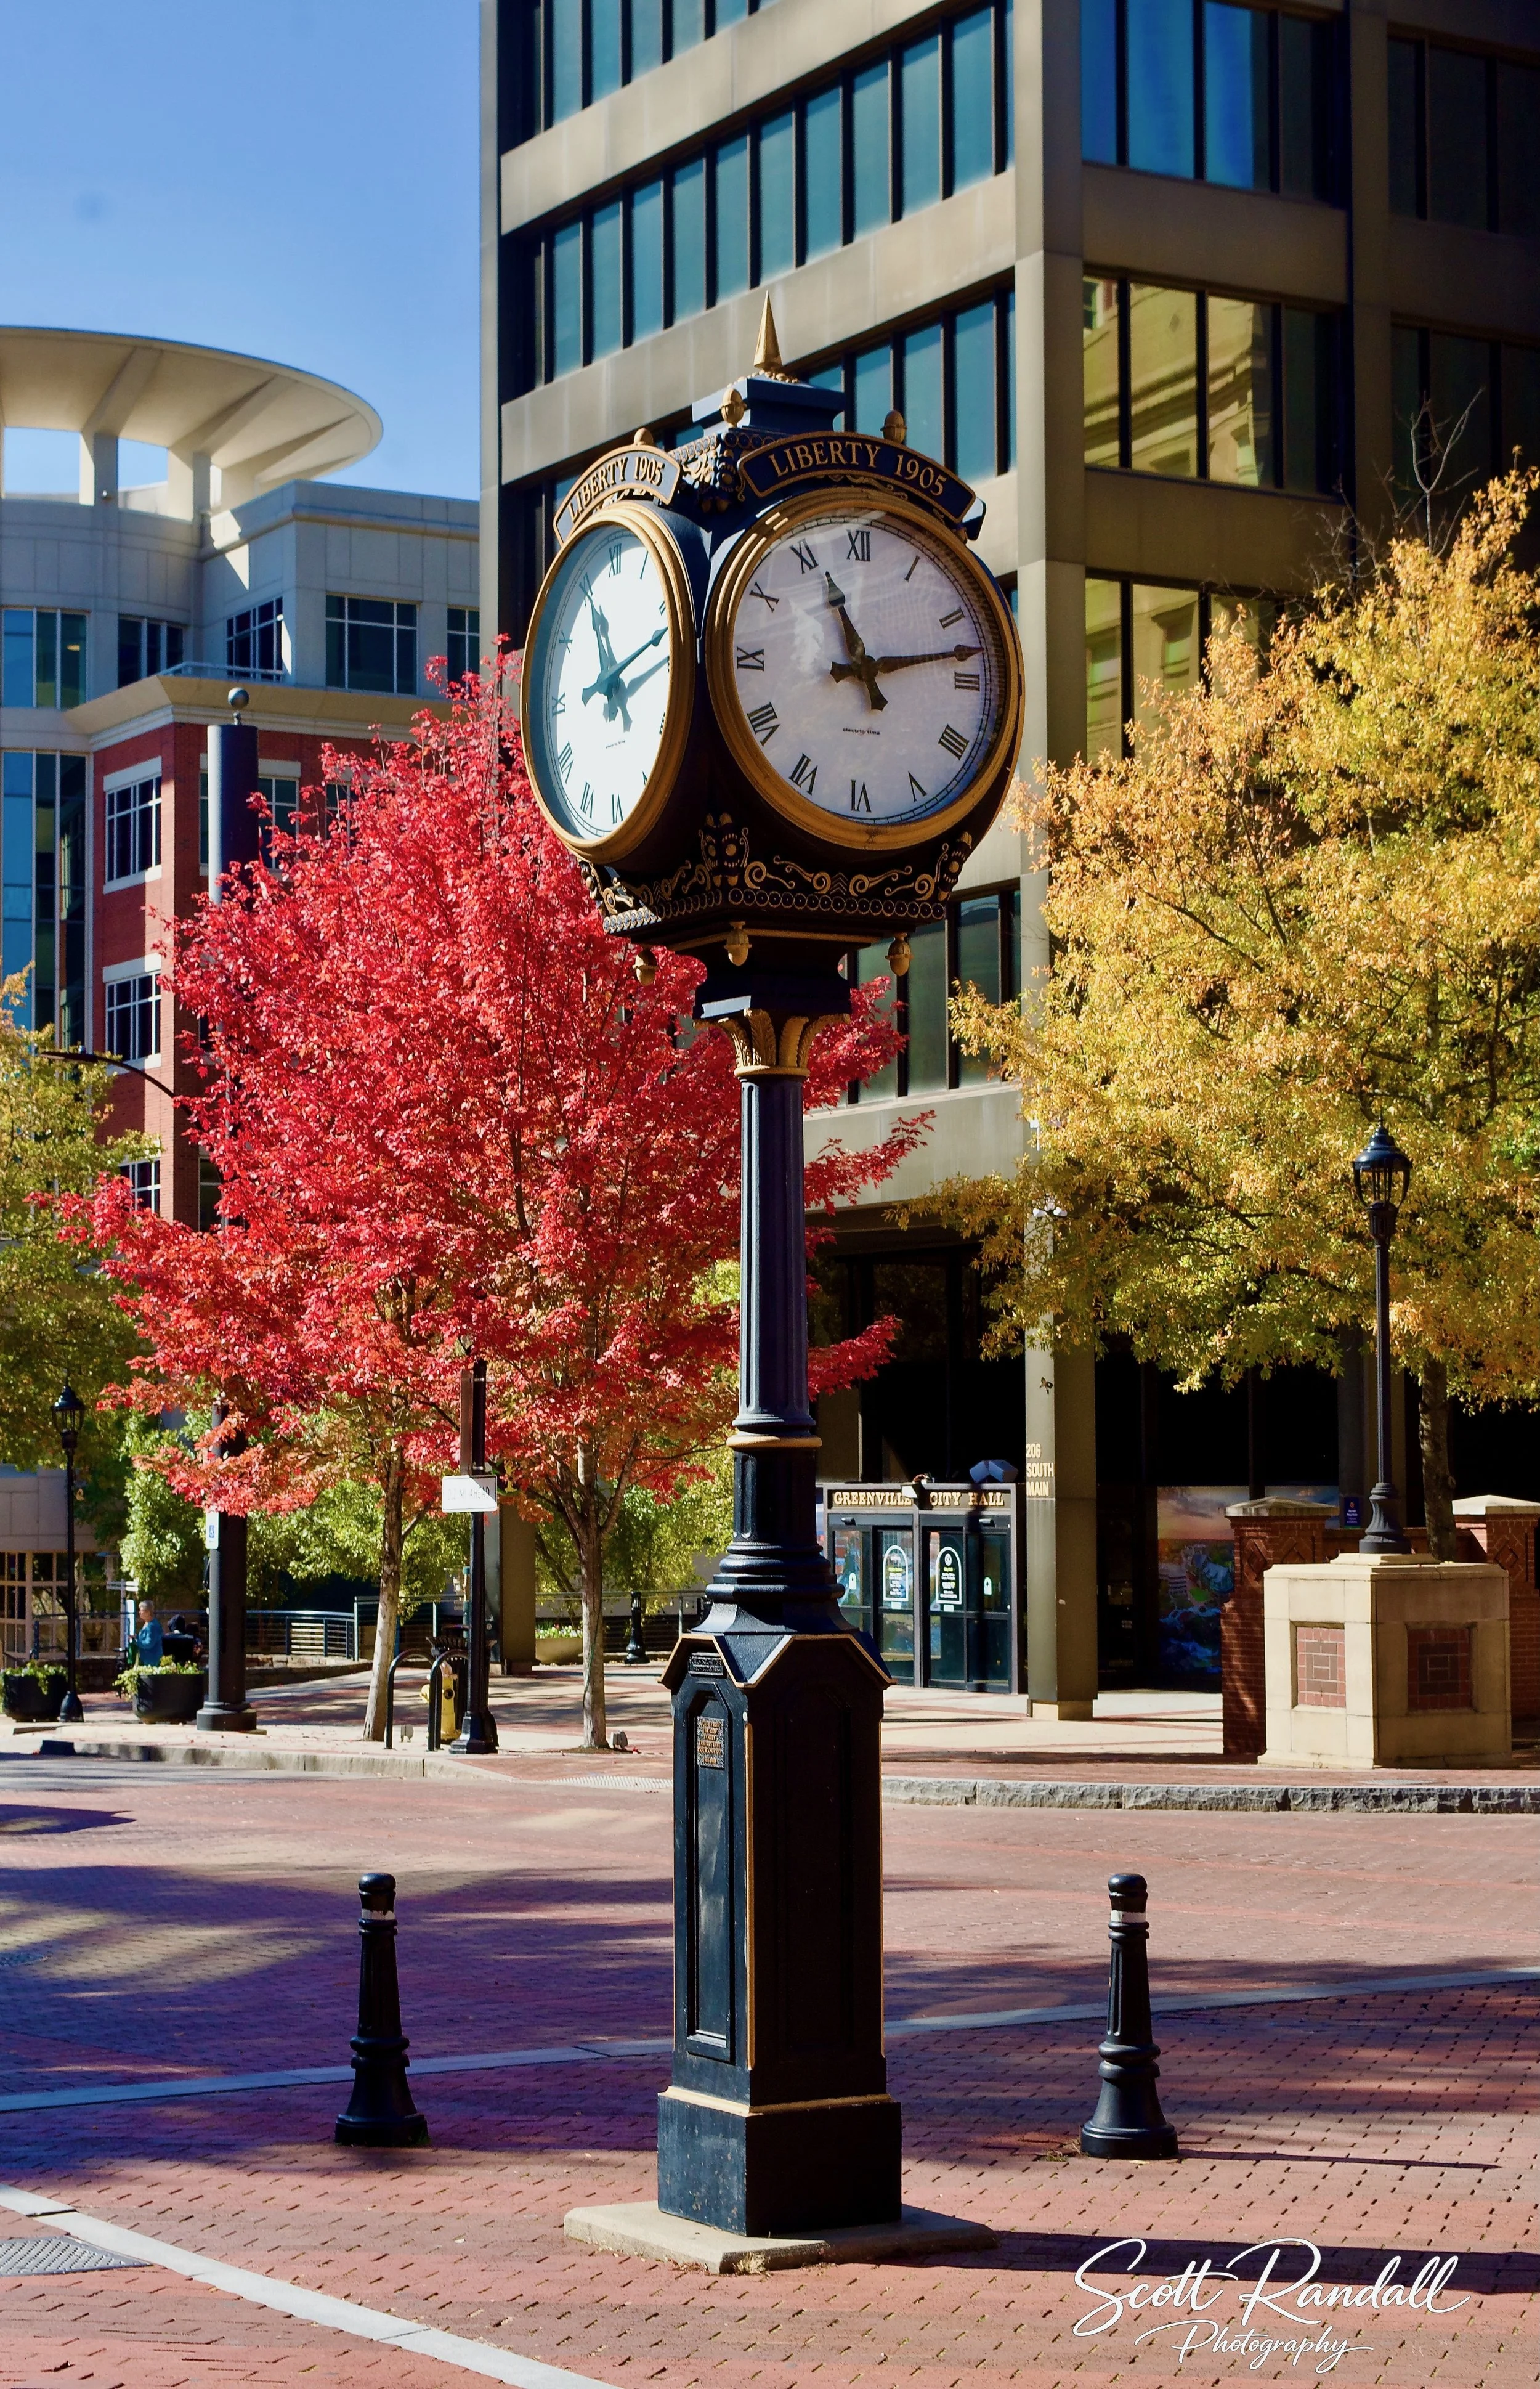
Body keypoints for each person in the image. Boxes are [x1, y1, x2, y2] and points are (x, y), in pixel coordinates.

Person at [134, 1601, 163, 1666]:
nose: (139, 1612)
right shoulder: (147, 1624)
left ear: (148, 1612)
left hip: (152, 1660)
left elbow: (149, 1643)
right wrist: (136, 1637)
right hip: (145, 1659)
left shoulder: (152, 1626)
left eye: (141, 1611)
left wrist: (136, 1642)